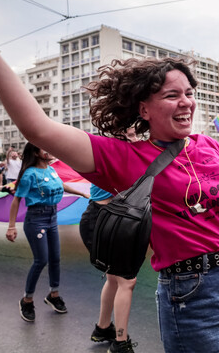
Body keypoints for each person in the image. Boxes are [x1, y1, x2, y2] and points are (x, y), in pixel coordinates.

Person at [0, 53, 219, 353]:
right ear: (144, 109)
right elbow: (38, 128)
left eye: (189, 93)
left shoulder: (208, 145)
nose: (186, 103)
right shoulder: (125, 158)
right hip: (194, 294)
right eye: (172, 95)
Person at [6, 143, 89, 323]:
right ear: (36, 153)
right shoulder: (29, 174)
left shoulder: (51, 170)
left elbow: (62, 185)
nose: (49, 150)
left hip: (52, 217)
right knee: (41, 260)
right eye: (44, 148)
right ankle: (27, 300)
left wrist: (82, 194)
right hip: (36, 220)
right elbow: (16, 200)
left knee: (55, 258)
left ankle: (54, 295)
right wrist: (11, 227)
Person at [79, 129, 139, 350]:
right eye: (129, 135)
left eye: (136, 135)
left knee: (115, 279)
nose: (134, 139)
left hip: (111, 221)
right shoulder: (110, 151)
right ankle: (121, 343)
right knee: (127, 281)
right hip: (100, 222)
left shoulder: (127, 152)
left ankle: (102, 328)